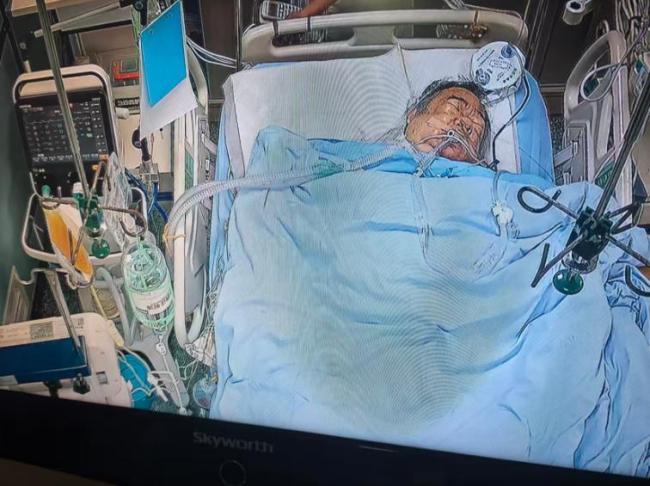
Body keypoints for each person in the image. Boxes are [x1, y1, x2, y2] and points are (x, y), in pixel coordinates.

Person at [384, 79, 491, 164]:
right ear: (413, 114)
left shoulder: (490, 181)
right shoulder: (377, 159)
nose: (466, 122)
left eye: (477, 129)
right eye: (455, 107)